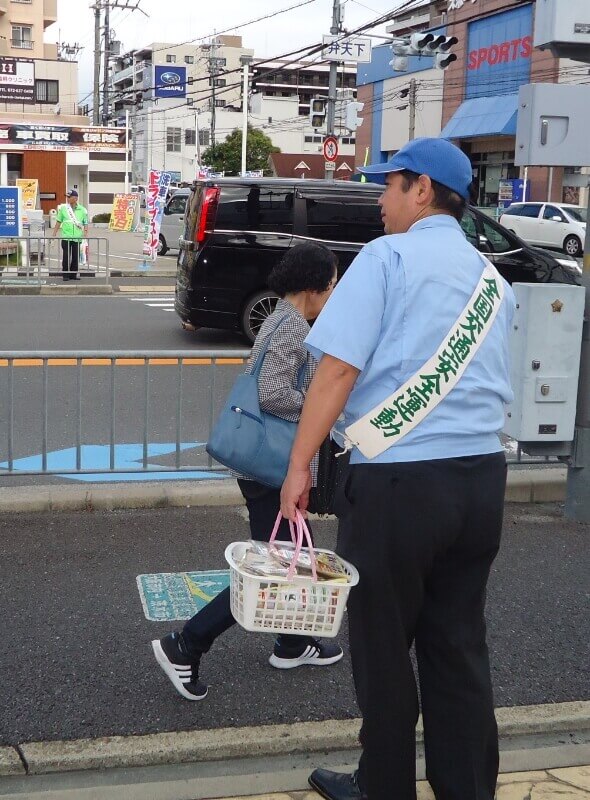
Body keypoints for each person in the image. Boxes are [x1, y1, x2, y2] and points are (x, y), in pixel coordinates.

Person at [280, 138, 516, 800]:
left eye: (390, 186)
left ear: (421, 189)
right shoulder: (492, 280)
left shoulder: (386, 258)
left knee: (384, 651)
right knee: (458, 647)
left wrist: (299, 467)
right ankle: (467, 789)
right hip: (480, 482)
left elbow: (337, 370)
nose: (380, 200)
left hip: (398, 486)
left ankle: (383, 787)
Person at [152, 241, 343, 702]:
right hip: (271, 468)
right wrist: (321, 408)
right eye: (332, 284)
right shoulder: (293, 326)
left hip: (267, 465)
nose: (334, 292)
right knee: (272, 570)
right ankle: (186, 644)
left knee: (292, 559)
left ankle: (292, 642)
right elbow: (274, 392)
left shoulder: (280, 316)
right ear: (314, 286)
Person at [52, 189, 88, 281]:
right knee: (66, 256)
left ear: (75, 198)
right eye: (67, 197)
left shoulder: (82, 210)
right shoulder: (63, 209)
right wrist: (54, 233)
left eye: (69, 197)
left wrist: (85, 234)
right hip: (66, 236)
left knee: (76, 257)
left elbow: (85, 223)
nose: (67, 199)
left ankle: (73, 274)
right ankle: (65, 274)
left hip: (77, 237)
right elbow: (58, 221)